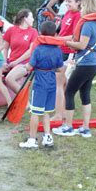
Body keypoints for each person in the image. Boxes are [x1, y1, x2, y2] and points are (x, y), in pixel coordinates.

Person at [52, 0, 96, 138]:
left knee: (69, 92)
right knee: (85, 95)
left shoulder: (88, 24)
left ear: (88, 8)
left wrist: (67, 43)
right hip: (92, 64)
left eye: (83, 7)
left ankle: (68, 127)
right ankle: (85, 128)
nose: (81, 9)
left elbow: (82, 45)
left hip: (84, 64)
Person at [18, 21, 64, 149]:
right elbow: (60, 69)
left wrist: (24, 67)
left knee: (35, 112)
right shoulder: (58, 50)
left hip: (40, 83)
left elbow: (29, 66)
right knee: (46, 112)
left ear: (41, 34)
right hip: (51, 82)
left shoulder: (38, 49)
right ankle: (47, 137)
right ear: (55, 34)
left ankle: (32, 140)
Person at [53, 0, 84, 120]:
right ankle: (63, 111)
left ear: (78, 3)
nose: (66, 3)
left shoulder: (78, 16)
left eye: (69, 1)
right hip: (61, 50)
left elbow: (75, 36)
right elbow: (62, 31)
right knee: (62, 83)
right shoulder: (68, 13)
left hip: (69, 52)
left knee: (60, 83)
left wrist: (58, 40)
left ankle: (59, 114)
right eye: (66, 1)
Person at [3, 9, 39, 94]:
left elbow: (31, 51)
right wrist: (4, 61)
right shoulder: (11, 30)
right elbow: (5, 48)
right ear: (25, 18)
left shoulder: (33, 32)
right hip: (10, 62)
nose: (33, 19)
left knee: (9, 79)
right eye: (31, 17)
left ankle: (26, 104)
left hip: (25, 64)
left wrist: (16, 62)